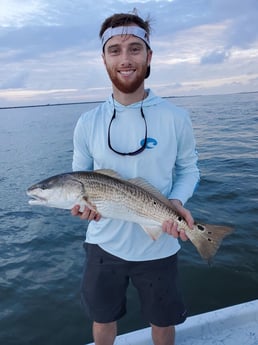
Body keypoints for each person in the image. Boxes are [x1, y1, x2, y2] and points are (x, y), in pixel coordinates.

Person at [71, 12, 199, 345]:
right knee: (102, 319)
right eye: (114, 50)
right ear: (103, 58)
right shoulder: (87, 122)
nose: (125, 59)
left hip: (159, 245)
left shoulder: (176, 117)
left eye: (134, 48)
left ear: (149, 56)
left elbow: (189, 169)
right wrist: (82, 206)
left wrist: (175, 202)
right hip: (103, 244)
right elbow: (79, 177)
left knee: (163, 321)